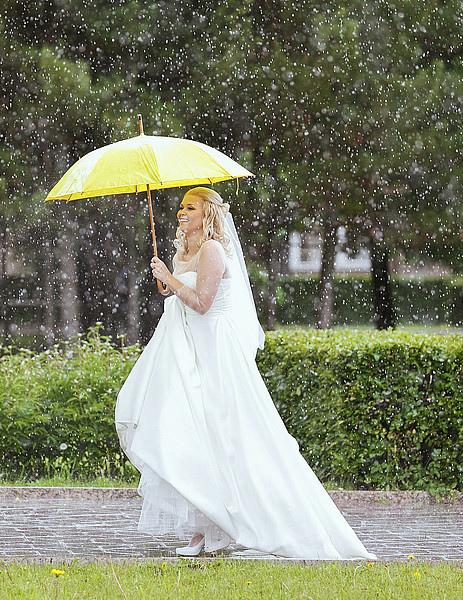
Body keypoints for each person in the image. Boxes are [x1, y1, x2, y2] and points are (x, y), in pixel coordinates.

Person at [115, 187, 376, 559]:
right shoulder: (183, 251)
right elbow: (173, 294)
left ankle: (258, 522)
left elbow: (202, 304)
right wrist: (164, 273)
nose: (181, 213)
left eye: (191, 208)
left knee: (227, 437)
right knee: (193, 434)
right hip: (185, 349)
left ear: (207, 215)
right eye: (180, 207)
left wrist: (172, 282)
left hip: (213, 351)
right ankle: (207, 527)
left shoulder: (213, 250)